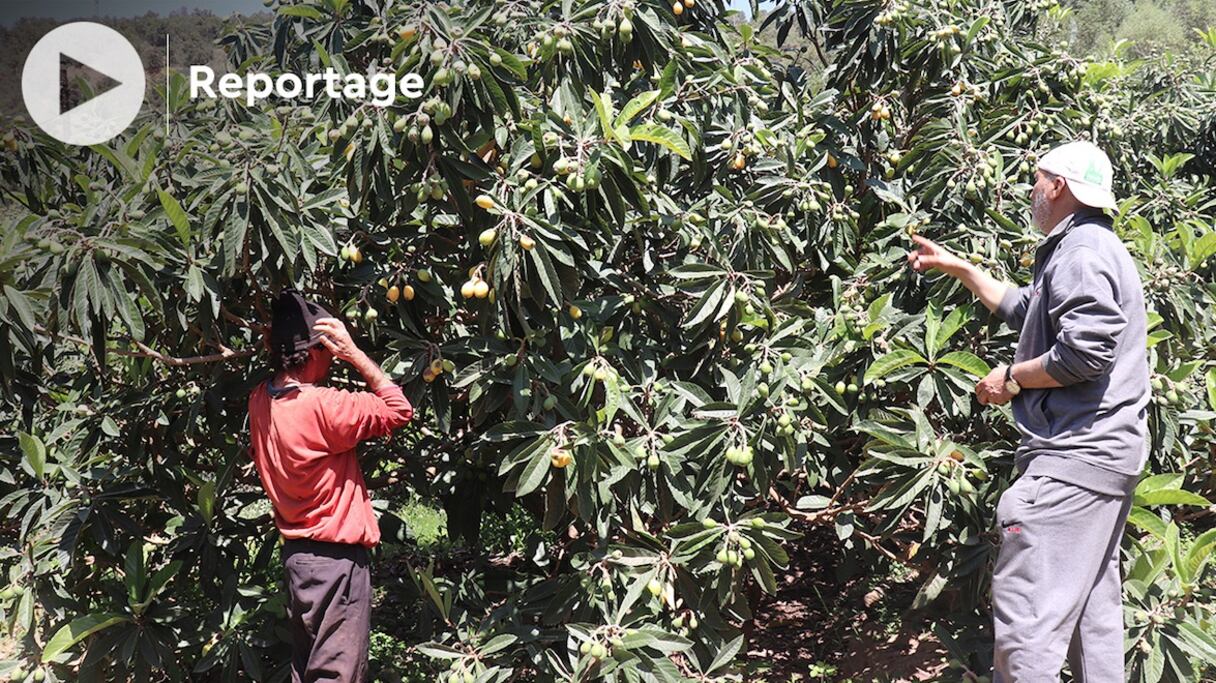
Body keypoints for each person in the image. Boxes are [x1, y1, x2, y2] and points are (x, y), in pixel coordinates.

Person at [907, 140, 1149, 681]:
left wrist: (1012, 378)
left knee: (1028, 626)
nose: (1032, 191)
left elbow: (1085, 351)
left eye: (1037, 180)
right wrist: (959, 268)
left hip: (1072, 459)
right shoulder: (1088, 246)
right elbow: (1027, 307)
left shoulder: (1082, 254)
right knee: (1093, 621)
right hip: (1105, 461)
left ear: (1058, 186)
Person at [248, 289, 414, 682]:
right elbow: (398, 409)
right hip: (336, 563)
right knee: (337, 674)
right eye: (328, 351)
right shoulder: (325, 405)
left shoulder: (260, 401)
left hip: (298, 560)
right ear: (318, 351)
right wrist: (354, 353)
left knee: (306, 671)